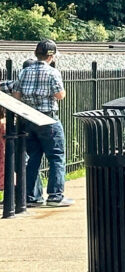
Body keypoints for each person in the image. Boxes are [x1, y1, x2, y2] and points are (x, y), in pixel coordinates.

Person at [11, 40, 72, 207]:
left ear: (36, 54)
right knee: (56, 157)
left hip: (29, 119)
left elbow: (16, 96)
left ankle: (30, 197)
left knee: (32, 158)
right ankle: (54, 196)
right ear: (51, 56)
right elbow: (60, 95)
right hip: (48, 119)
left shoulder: (24, 72)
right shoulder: (53, 72)